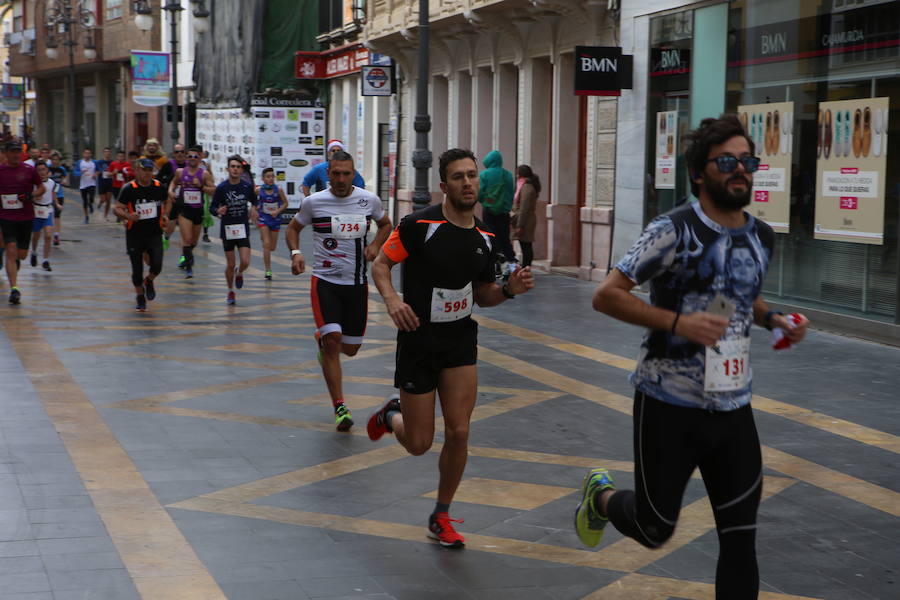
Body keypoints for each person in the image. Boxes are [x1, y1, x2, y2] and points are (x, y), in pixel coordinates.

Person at [574, 115, 810, 599]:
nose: (741, 170)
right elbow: (607, 294)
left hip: (733, 406)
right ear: (700, 173)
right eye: (727, 162)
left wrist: (775, 319)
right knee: (655, 527)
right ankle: (599, 497)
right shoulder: (673, 230)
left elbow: (738, 297)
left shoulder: (761, 236)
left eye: (748, 161)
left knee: (741, 539)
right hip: (668, 404)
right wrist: (680, 323)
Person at [367, 148, 534, 548]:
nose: (467, 183)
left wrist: (508, 291)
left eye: (472, 176)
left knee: (459, 432)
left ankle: (440, 514)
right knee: (420, 443)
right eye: (458, 177)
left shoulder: (486, 237)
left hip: (459, 339)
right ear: (444, 185)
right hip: (418, 341)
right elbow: (380, 265)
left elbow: (482, 294)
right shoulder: (418, 224)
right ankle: (392, 416)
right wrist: (393, 301)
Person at [286, 151, 392, 431]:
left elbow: (386, 225)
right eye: (336, 174)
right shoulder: (314, 202)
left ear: (353, 173)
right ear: (327, 174)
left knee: (351, 349)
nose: (342, 179)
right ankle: (340, 407)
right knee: (333, 339)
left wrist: (375, 245)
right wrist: (296, 253)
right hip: (325, 282)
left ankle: (325, 342)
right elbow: (293, 228)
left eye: (347, 173)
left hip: (356, 284)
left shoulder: (368, 200)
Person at [113, 158, 170, 312]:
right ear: (137, 171)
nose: (147, 173)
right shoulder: (129, 188)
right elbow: (117, 208)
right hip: (135, 234)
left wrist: (165, 214)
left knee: (157, 265)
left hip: (154, 233)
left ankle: (149, 280)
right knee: (136, 269)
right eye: (144, 170)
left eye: (149, 170)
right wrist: (127, 216)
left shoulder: (158, 186)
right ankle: (139, 296)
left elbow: (168, 200)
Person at [0, 140, 46, 304]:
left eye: (18, 151)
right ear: (6, 154)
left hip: (26, 217)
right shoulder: (1, 170)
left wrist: (31, 195)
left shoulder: (29, 170)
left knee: (21, 254)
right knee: (10, 249)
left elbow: (42, 188)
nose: (15, 154)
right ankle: (14, 289)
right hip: (6, 217)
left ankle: (16, 263)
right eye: (12, 151)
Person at [210, 155, 256, 305]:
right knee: (230, 263)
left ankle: (240, 272)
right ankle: (231, 291)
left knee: (245, 261)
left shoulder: (246, 186)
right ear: (228, 169)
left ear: (241, 170)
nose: (235, 169)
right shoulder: (222, 188)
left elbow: (255, 201)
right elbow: (212, 208)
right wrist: (218, 210)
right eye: (233, 167)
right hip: (228, 229)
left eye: (238, 167)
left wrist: (254, 210)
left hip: (242, 228)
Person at [168, 146, 215, 278]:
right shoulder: (180, 172)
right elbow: (173, 183)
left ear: (200, 158)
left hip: (198, 211)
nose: (192, 159)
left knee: (194, 242)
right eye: (190, 156)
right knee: (187, 239)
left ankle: (188, 255)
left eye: (195, 156)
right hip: (184, 210)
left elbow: (213, 190)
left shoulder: (204, 174)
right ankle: (189, 267)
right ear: (186, 158)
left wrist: (200, 186)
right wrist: (171, 191)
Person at [478, 150, 516, 271]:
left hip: (488, 210)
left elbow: (479, 193)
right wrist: (506, 206)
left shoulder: (484, 175)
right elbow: (511, 193)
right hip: (504, 212)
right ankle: (511, 263)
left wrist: (485, 201)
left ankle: (494, 262)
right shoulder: (508, 175)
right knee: (504, 237)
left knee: (489, 236)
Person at [255, 167, 288, 280]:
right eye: (268, 177)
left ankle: (265, 239)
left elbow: (285, 203)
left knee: (272, 247)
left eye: (272, 177)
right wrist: (255, 208)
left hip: (275, 220)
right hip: (263, 219)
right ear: (263, 179)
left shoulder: (278, 190)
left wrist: (277, 211)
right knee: (267, 244)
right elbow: (252, 199)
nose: (271, 179)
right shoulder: (258, 190)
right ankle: (268, 270)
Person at [300, 140, 365, 196]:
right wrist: (308, 199)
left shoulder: (348, 169)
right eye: (333, 151)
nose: (336, 153)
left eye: (338, 150)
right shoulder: (319, 168)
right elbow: (306, 183)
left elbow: (360, 186)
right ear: (328, 153)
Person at [29, 161, 61, 271]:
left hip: (48, 210)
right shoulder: (33, 184)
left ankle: (45, 260)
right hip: (36, 210)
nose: (42, 172)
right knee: (36, 235)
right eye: (39, 170)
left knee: (48, 234)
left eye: (43, 169)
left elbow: (53, 193)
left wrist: (56, 204)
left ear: (47, 170)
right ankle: (33, 252)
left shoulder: (52, 183)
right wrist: (34, 198)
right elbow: (29, 196)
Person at [511, 164, 540, 268]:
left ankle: (526, 268)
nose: (516, 175)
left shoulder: (526, 187)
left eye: (517, 173)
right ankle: (526, 267)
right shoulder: (524, 185)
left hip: (526, 220)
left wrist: (520, 225)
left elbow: (524, 207)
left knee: (526, 246)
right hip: (525, 219)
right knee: (525, 245)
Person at [161, 143, 186, 250]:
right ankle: (166, 237)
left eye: (182, 152)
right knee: (172, 220)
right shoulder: (168, 165)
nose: (179, 154)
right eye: (177, 152)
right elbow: (159, 180)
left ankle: (185, 254)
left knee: (186, 228)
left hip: (187, 200)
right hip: (172, 199)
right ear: (173, 154)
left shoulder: (189, 165)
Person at [48, 151, 67, 245]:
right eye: (53, 159)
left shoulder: (62, 169)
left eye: (57, 160)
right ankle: (48, 232)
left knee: (57, 215)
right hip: (48, 195)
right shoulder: (47, 168)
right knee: (49, 215)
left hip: (59, 195)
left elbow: (65, 179)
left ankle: (56, 235)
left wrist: (64, 181)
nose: (55, 161)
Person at [73, 148, 98, 223]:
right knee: (84, 201)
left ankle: (90, 204)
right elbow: (75, 172)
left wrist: (95, 174)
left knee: (91, 198)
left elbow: (98, 170)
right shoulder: (80, 162)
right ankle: (86, 217)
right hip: (83, 185)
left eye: (89, 153)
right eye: (86, 153)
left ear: (91, 154)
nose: (87, 155)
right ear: (83, 154)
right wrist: (81, 172)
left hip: (92, 183)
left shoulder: (94, 162)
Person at [95, 147, 114, 221]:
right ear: (103, 153)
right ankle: (100, 202)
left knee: (108, 200)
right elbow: (96, 172)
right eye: (106, 152)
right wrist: (100, 172)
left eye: (109, 152)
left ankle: (105, 215)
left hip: (109, 182)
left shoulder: (112, 162)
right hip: (101, 183)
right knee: (103, 200)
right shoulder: (99, 162)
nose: (107, 153)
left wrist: (112, 173)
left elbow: (114, 171)